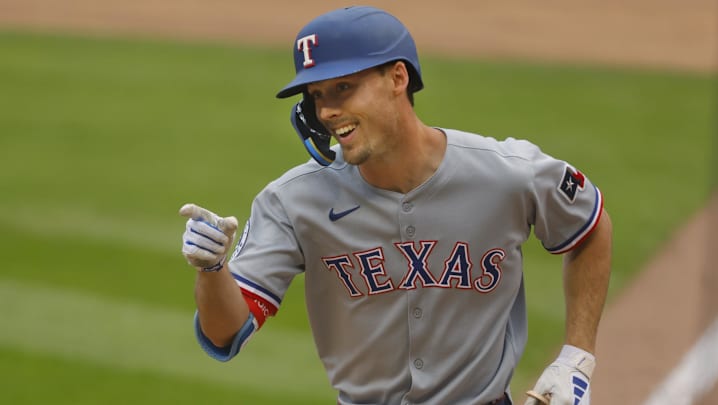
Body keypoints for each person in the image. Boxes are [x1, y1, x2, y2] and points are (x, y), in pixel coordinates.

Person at [179, 6, 612, 405]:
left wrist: (576, 356)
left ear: (398, 78)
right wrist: (212, 270)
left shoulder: (508, 174)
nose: (328, 111)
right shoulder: (292, 201)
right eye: (316, 95)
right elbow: (226, 334)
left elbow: (590, 227)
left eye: (343, 87)